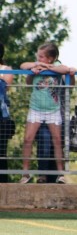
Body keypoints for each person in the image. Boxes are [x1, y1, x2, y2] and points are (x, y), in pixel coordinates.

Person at [19, 42, 70, 184]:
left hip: (53, 110)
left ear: (50, 58)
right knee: (28, 139)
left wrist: (47, 67)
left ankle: (61, 174)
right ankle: (25, 173)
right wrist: (34, 68)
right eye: (38, 56)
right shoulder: (35, 64)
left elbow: (65, 69)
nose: (38, 58)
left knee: (57, 141)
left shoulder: (57, 65)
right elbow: (23, 66)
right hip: (36, 109)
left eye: (41, 56)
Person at [34, 65, 77, 183]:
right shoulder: (38, 70)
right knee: (44, 144)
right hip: (41, 117)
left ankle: (58, 176)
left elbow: (70, 80)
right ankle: (42, 175)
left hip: (59, 117)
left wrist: (71, 72)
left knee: (56, 146)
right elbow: (24, 66)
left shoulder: (60, 70)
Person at [0, 42, 14, 183]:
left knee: (1, 152)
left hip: (2, 118)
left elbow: (6, 86)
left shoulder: (6, 69)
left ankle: (3, 183)